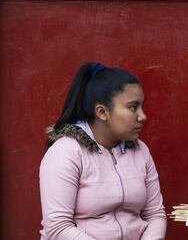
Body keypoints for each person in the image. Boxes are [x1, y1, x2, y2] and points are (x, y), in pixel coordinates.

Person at [39, 62, 167, 239]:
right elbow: (58, 227)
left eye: (141, 106)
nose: (142, 116)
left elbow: (155, 215)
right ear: (101, 112)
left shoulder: (140, 151)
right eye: (132, 107)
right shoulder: (66, 152)